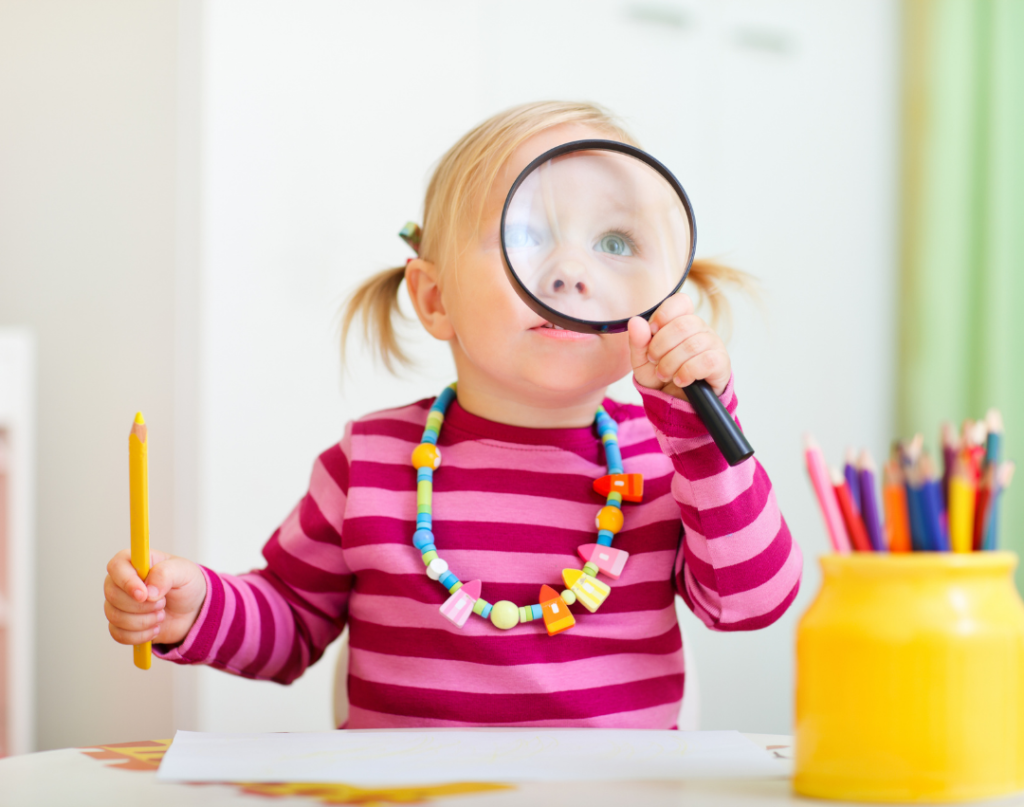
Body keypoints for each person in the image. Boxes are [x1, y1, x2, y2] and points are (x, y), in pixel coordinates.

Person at [103, 101, 802, 728]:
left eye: (614, 243)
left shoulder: (667, 462)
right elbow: (290, 622)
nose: (569, 271)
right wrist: (193, 607)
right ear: (434, 299)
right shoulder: (369, 460)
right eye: (527, 236)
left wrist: (701, 435)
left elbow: (754, 602)